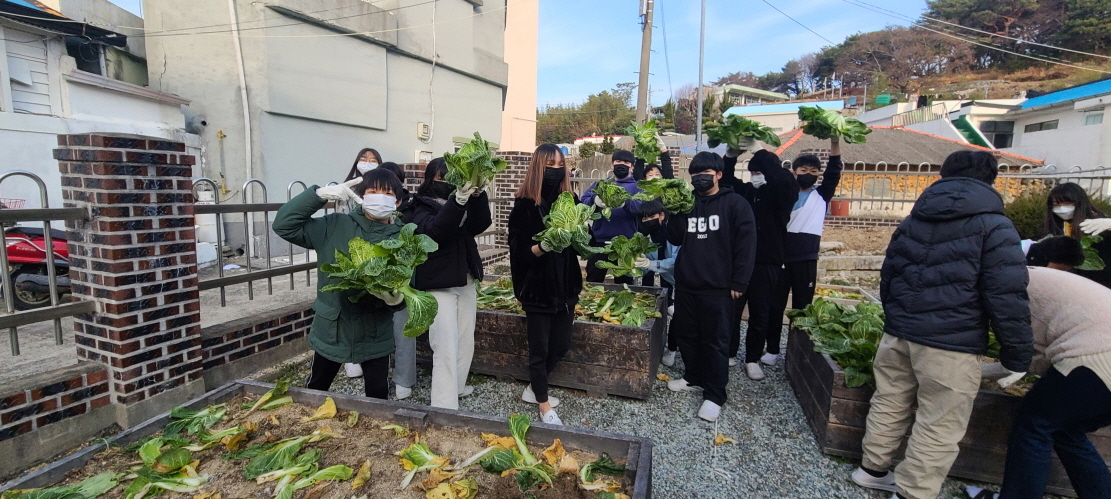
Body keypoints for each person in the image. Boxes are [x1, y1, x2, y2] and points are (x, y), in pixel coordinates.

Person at [850, 150, 1033, 499]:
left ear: (943, 175)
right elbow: (1007, 295)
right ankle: (913, 492)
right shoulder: (995, 226)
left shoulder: (914, 219)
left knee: (890, 400)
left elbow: (889, 274)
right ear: (991, 180)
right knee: (939, 421)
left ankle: (872, 469)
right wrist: (1017, 354)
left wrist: (896, 317)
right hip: (952, 341)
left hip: (899, 332)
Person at [964, 263, 1111, 499]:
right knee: (1066, 429)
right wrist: (979, 372)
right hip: (1095, 351)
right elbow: (1032, 359)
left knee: (1034, 425)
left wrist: (966, 372)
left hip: (1097, 355)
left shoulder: (999, 288)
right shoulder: (1021, 276)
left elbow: (1019, 356)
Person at [274, 169, 405, 399]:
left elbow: (410, 283)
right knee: (317, 387)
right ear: (361, 197)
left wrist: (397, 300)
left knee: (377, 395)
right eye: (373, 191)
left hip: (375, 331)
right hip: (332, 327)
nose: (380, 197)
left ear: (398, 201)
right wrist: (318, 196)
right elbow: (284, 225)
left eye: (387, 193)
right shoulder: (334, 225)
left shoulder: (402, 237)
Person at [665, 151, 757, 423]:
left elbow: (747, 245)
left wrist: (740, 281)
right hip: (687, 284)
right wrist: (675, 211)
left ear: (718, 174)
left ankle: (715, 394)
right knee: (687, 336)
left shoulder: (735, 204)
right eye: (695, 174)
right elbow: (674, 238)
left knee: (716, 342)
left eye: (705, 173)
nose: (699, 178)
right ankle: (693, 378)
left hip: (719, 287)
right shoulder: (688, 203)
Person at [407, 158, 491, 409]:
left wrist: (478, 195)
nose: (445, 182)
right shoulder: (418, 207)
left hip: (465, 278)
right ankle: (443, 405)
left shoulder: (461, 200)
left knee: (465, 339)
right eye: (440, 177)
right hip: (437, 282)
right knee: (444, 343)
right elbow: (436, 232)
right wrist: (459, 201)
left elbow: (480, 224)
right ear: (430, 179)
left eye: (451, 178)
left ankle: (457, 387)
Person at [507, 144, 581, 426]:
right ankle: (543, 404)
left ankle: (532, 388)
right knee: (539, 349)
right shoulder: (525, 205)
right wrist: (543, 246)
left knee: (561, 346)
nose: (556, 169)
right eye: (550, 164)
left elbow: (582, 242)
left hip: (566, 286)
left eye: (560, 164)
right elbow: (518, 252)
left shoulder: (570, 200)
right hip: (537, 289)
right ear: (538, 166)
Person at [765, 137, 845, 365]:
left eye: (813, 171)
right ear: (794, 172)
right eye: (803, 170)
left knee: (802, 309)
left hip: (806, 259)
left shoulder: (821, 195)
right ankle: (772, 349)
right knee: (775, 306)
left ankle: (797, 352)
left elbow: (834, 171)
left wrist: (835, 142)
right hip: (780, 258)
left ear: (818, 175)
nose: (808, 174)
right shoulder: (785, 194)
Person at [723, 149, 799, 380]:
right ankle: (729, 352)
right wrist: (730, 157)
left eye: (760, 172)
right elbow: (726, 179)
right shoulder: (746, 192)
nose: (757, 176)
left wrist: (762, 154)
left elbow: (783, 181)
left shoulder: (780, 194)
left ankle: (752, 358)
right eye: (753, 172)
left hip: (768, 262)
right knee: (732, 310)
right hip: (739, 261)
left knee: (760, 312)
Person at [580, 150, 644, 284]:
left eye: (626, 162)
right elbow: (583, 202)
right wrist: (594, 200)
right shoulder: (601, 184)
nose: (622, 164)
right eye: (618, 161)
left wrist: (625, 203)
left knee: (624, 283)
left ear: (632, 167)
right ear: (612, 164)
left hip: (625, 243)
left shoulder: (637, 187)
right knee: (593, 281)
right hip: (599, 242)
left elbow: (642, 207)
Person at [634, 200, 680, 366]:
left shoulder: (674, 234)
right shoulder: (646, 238)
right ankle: (670, 348)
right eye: (644, 218)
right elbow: (644, 266)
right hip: (671, 278)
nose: (647, 221)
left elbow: (676, 261)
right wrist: (635, 264)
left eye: (651, 217)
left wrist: (651, 264)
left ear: (662, 215)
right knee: (676, 316)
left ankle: (677, 348)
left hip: (685, 278)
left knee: (684, 316)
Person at [1039, 182, 1111, 288]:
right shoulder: (1053, 227)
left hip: (1099, 286)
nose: (1062, 208)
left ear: (1079, 202)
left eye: (1067, 203)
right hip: (1065, 285)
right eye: (1056, 205)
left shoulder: (1098, 225)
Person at [640, 165, 667, 288]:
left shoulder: (666, 192)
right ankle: (647, 292)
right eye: (650, 175)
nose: (654, 177)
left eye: (657, 174)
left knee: (665, 266)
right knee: (647, 268)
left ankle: (667, 296)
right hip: (648, 233)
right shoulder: (641, 193)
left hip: (663, 231)